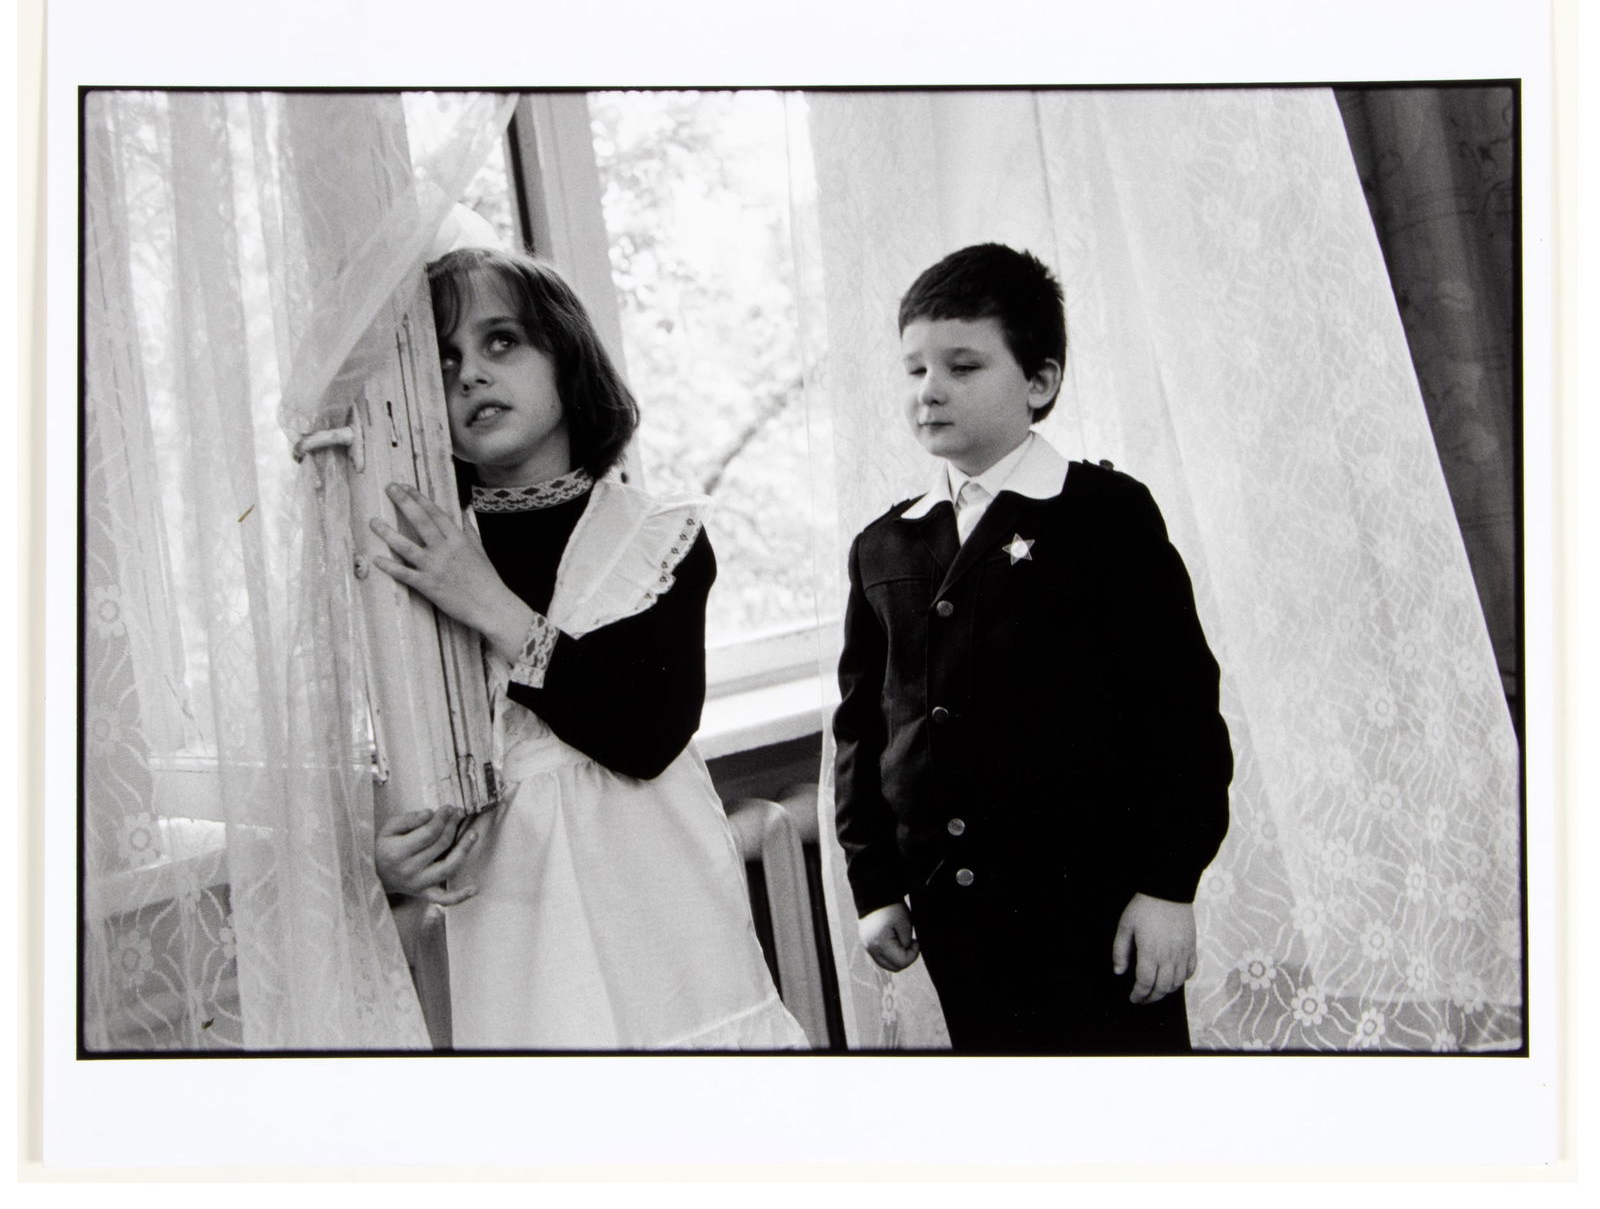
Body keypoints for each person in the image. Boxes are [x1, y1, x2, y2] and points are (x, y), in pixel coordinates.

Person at [370, 246, 807, 1050]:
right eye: (446, 360)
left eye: (501, 341)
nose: (470, 374)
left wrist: (492, 606)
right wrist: (390, 864)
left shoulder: (656, 536)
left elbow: (646, 732)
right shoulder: (419, 553)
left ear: (566, 357)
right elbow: (392, 752)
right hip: (510, 923)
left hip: (658, 907)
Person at [833, 243, 1233, 1053]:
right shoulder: (884, 545)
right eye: (913, 370)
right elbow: (862, 728)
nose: (930, 390)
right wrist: (876, 885)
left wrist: (1168, 884)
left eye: (963, 365)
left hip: (1097, 909)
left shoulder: (1104, 516)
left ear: (1040, 382)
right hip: (958, 914)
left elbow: (1179, 710)